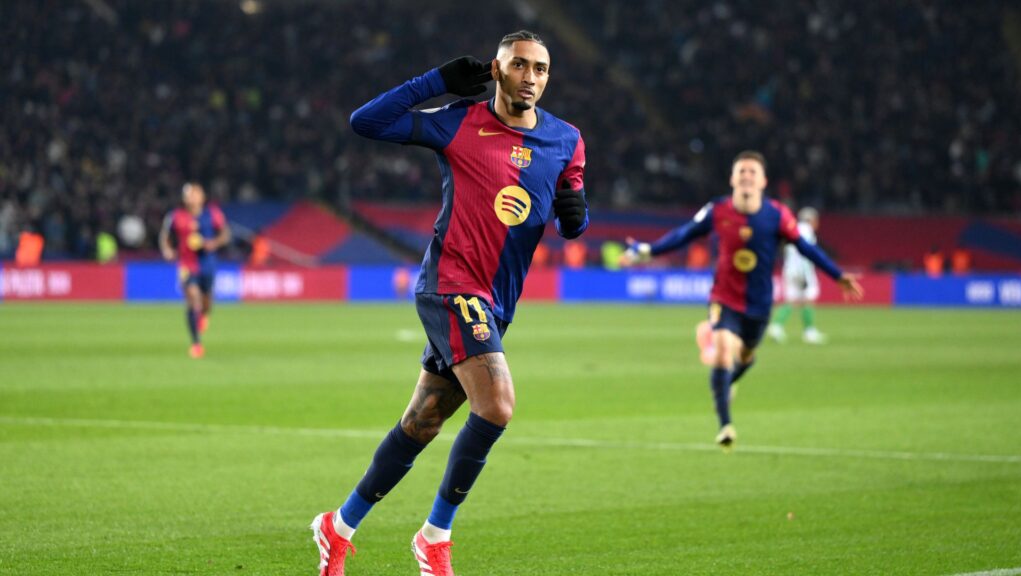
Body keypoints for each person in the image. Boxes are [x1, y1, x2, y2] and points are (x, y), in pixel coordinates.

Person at [311, 30, 588, 576]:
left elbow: (571, 207)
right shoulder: (459, 121)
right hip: (451, 285)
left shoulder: (567, 139)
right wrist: (434, 81)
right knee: (497, 405)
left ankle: (337, 526)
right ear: (496, 69)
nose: (531, 77)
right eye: (520, 65)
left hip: (498, 301)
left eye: (541, 69)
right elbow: (365, 122)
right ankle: (435, 536)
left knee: (423, 421)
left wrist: (576, 211)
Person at [621, 151, 862, 450]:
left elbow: (805, 248)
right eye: (742, 171)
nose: (747, 176)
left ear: (763, 181)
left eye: (752, 172)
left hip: (759, 304)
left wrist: (837, 275)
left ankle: (730, 380)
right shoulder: (718, 210)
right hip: (724, 297)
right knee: (723, 351)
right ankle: (725, 425)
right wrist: (648, 250)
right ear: (732, 178)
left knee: (746, 356)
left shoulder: (777, 215)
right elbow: (684, 234)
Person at [158, 183, 230, 359]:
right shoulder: (176, 216)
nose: (192, 198)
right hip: (187, 265)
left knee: (206, 301)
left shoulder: (212, 214)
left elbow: (225, 234)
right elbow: (165, 236)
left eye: (195, 194)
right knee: (193, 299)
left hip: (208, 264)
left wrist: (213, 243)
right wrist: (167, 250)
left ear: (202, 197)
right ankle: (196, 344)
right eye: (189, 195)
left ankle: (204, 315)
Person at [767, 207, 827, 344]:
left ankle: (776, 326)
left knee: (791, 299)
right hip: (802, 269)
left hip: (789, 268)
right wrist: (804, 274)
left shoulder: (793, 228)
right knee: (808, 299)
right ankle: (809, 332)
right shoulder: (807, 231)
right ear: (812, 220)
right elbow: (805, 253)